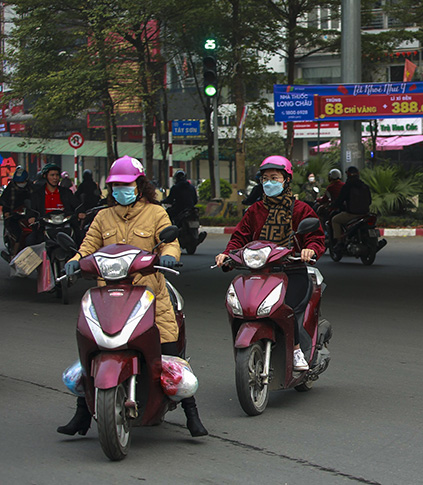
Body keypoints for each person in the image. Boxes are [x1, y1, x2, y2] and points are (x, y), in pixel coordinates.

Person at [57, 156, 208, 438]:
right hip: (109, 295)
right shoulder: (103, 216)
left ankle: (191, 413)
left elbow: (169, 242)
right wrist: (76, 260)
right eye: (115, 185)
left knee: (170, 355)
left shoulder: (155, 213)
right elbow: (89, 245)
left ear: (139, 185)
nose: (120, 190)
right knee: (94, 347)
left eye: (125, 185)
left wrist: (169, 257)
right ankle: (82, 413)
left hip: (150, 295)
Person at [215, 155, 325, 371]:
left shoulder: (301, 209)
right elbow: (239, 238)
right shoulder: (254, 211)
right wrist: (227, 255)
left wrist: (309, 249)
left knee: (286, 307)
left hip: (291, 271)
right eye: (265, 179)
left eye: (274, 178)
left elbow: (315, 237)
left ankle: (295, 351)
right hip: (260, 272)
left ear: (286, 180)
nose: (269, 183)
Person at [27, 163, 85, 245]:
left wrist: (80, 212)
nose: (55, 178)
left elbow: (77, 204)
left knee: (81, 237)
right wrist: (31, 217)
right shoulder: (37, 194)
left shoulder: (66, 192)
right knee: (31, 240)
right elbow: (31, 209)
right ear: (45, 176)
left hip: (65, 225)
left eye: (57, 175)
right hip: (45, 225)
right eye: (52, 175)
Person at [331, 166, 372, 250]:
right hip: (365, 213)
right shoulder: (364, 186)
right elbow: (370, 201)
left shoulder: (347, 186)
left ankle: (339, 242)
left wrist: (333, 206)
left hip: (352, 214)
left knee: (335, 220)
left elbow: (340, 200)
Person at [1, 167, 32, 261]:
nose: (20, 184)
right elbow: (4, 201)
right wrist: (7, 212)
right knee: (18, 233)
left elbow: (37, 200)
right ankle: (13, 256)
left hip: (29, 215)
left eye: (22, 182)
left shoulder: (31, 188)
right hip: (13, 215)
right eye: (19, 182)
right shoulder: (10, 189)